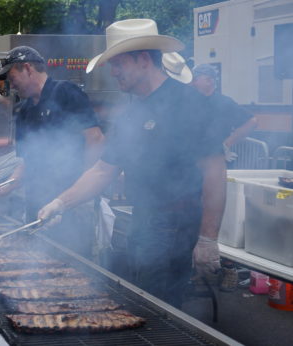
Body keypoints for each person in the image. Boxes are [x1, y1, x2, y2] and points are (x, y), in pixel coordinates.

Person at [38, 19, 226, 307]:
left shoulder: (189, 102)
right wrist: (61, 202)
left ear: (142, 60)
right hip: (143, 222)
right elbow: (104, 169)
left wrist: (208, 239)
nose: (113, 73)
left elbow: (214, 172)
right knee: (140, 305)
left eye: (117, 64)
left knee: (160, 310)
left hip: (175, 227)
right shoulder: (131, 112)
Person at [0, 46, 105, 258]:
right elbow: (27, 163)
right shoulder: (24, 110)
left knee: (71, 269)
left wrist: (78, 195)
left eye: (12, 77)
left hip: (70, 205)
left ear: (27, 68)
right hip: (37, 205)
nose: (11, 85)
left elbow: (95, 139)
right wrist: (6, 187)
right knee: (36, 265)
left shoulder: (66, 92)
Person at [191, 64, 258, 163]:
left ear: (209, 80)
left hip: (214, 159)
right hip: (192, 158)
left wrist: (226, 144)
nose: (192, 83)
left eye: (195, 79)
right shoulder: (191, 101)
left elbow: (252, 122)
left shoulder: (223, 102)